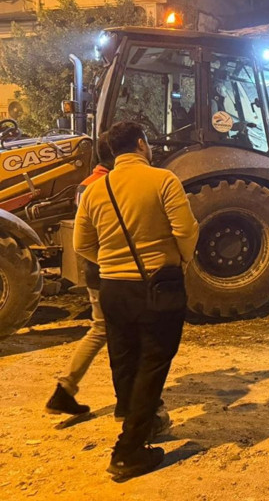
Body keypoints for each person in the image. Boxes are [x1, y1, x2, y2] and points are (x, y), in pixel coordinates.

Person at [74, 121, 199, 479]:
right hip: (157, 287)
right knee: (153, 362)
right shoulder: (163, 180)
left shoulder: (97, 189)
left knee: (125, 360)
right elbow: (186, 230)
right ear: (142, 145)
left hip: (113, 289)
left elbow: (81, 244)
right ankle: (128, 450)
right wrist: (181, 262)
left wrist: (112, 264)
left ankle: (139, 424)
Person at [45, 134, 114, 416]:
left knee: (101, 329)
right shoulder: (110, 185)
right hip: (112, 270)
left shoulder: (86, 185)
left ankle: (65, 390)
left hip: (94, 268)